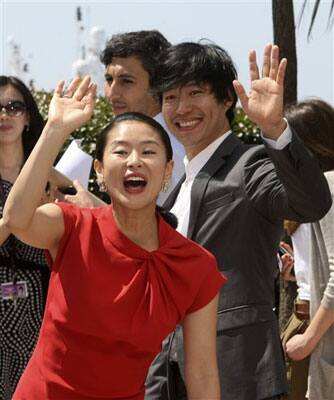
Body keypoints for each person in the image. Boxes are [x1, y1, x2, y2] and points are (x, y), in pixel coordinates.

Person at [3, 76, 226, 400]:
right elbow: (16, 219)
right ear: (99, 170)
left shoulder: (195, 266)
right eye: (121, 152)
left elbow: (202, 374)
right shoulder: (70, 225)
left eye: (148, 152)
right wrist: (55, 128)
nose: (134, 161)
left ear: (166, 172)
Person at [145, 42, 332, 400]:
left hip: (239, 371)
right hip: (170, 376)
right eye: (170, 97)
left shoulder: (251, 164)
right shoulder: (171, 188)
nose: (182, 108)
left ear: (226, 100)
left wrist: (276, 128)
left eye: (195, 93)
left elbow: (311, 203)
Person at [64, 30, 185, 206]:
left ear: (158, 85)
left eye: (126, 81)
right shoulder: (120, 135)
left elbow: (154, 229)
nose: (112, 93)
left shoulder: (175, 149)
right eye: (109, 80)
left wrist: (91, 212)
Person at [0, 76, 52, 400]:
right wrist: (13, 218)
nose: (4, 115)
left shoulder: (51, 175)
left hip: (42, 301)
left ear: (28, 116)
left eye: (14, 106)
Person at [283, 99, 334, 400]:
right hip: (303, 315)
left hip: (318, 326)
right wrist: (297, 273)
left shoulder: (327, 185)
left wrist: (309, 339)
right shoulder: (308, 189)